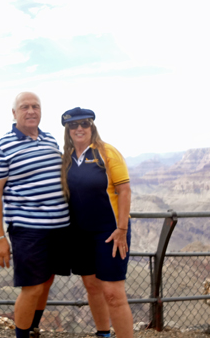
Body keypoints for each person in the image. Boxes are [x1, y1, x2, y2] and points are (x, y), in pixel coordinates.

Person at [0, 92, 71, 338]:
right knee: (32, 287)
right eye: (25, 107)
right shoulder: (2, 145)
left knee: (46, 282)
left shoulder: (50, 140)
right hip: (28, 229)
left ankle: (33, 328)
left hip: (59, 227)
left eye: (36, 106)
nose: (31, 111)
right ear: (14, 113)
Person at [60, 107, 133, 338]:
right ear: (67, 130)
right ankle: (103, 333)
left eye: (85, 123)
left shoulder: (107, 152)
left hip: (109, 233)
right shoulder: (67, 159)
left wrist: (122, 229)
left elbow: (125, 191)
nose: (79, 128)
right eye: (73, 125)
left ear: (92, 126)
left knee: (113, 293)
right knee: (92, 287)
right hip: (79, 234)